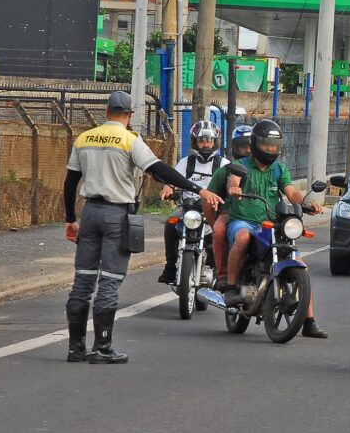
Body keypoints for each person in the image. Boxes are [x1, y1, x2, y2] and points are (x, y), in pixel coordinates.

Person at [62, 91, 223, 363]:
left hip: (88, 213)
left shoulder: (84, 138)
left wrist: (70, 219)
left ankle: (75, 348)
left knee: (83, 280)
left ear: (107, 111)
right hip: (116, 214)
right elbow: (160, 170)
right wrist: (198, 189)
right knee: (110, 281)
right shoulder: (129, 140)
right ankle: (103, 348)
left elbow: (69, 182)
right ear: (130, 115)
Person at [223, 119, 328, 339]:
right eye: (266, 145)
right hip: (243, 220)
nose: (271, 149)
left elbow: (291, 193)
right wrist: (233, 187)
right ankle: (231, 287)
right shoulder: (243, 164)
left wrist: (307, 204)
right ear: (254, 144)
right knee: (242, 238)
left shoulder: (279, 170)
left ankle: (309, 321)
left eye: (274, 145)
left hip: (271, 224)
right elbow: (234, 179)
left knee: (301, 265)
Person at [157, 120, 228, 284]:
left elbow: (231, 183)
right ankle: (170, 266)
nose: (205, 145)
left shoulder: (223, 164)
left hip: (212, 210)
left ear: (215, 142)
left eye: (209, 141)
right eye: (202, 141)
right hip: (188, 209)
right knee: (170, 222)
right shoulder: (185, 162)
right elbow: (173, 179)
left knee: (225, 230)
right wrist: (168, 188)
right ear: (195, 142)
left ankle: (222, 269)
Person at [205, 126, 252, 289]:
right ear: (234, 148)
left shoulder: (267, 170)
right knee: (219, 231)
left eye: (250, 146)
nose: (247, 150)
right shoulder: (224, 171)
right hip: (230, 214)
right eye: (242, 146)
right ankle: (223, 275)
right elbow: (208, 199)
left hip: (258, 216)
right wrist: (213, 223)